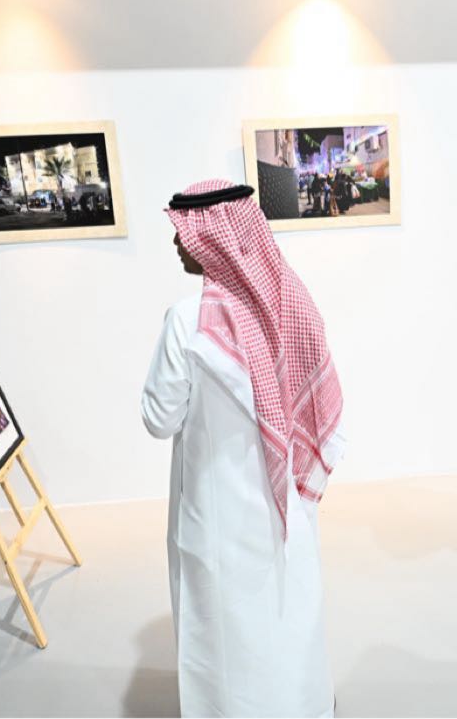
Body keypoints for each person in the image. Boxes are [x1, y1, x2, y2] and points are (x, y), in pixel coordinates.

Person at [142, 180, 343, 718]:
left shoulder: (187, 320)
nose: (177, 243)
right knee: (285, 618)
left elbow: (159, 419)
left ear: (212, 238)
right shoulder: (289, 303)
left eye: (183, 232)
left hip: (217, 514)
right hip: (286, 506)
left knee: (227, 637)